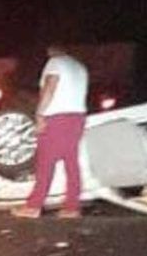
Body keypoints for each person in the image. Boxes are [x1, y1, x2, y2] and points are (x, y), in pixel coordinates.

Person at [11, 47, 89, 219]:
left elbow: (50, 87)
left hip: (56, 117)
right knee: (72, 163)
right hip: (77, 117)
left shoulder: (55, 62)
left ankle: (34, 206)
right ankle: (72, 207)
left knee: (45, 163)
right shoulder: (79, 67)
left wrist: (40, 114)